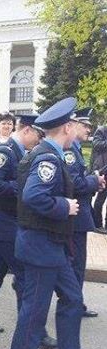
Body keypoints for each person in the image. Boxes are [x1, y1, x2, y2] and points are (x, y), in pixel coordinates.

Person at [8, 97, 101, 349]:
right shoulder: (47, 158)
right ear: (66, 127)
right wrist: (65, 206)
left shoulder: (52, 153)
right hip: (40, 245)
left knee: (72, 299)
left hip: (52, 246)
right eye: (75, 124)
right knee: (35, 309)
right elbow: (34, 196)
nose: (78, 128)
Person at [0, 114, 57, 349]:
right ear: (26, 130)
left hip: (2, 225)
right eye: (38, 134)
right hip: (5, 225)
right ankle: (35, 333)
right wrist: (23, 187)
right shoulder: (6, 152)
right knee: (26, 276)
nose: (39, 140)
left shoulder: (18, 151)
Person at [65, 108, 105, 317]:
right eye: (85, 125)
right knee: (75, 263)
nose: (89, 129)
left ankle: (75, 303)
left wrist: (93, 180)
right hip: (74, 216)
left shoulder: (76, 148)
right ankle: (74, 304)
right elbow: (74, 184)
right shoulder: (70, 150)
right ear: (73, 126)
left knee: (74, 263)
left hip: (78, 214)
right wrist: (93, 181)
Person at [91, 123, 107, 233]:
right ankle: (97, 224)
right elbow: (96, 144)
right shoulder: (101, 130)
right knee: (100, 199)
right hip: (103, 170)